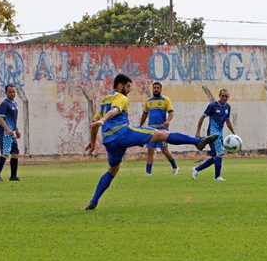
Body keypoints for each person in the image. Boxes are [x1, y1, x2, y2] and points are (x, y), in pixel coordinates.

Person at [84, 74, 217, 210]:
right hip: (122, 134)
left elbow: (94, 125)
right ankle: (197, 142)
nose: (129, 89)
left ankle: (94, 200)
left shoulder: (104, 100)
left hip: (109, 141)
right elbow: (115, 110)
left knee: (112, 171)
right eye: (128, 86)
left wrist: (93, 143)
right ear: (120, 85)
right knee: (162, 134)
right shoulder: (121, 97)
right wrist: (103, 120)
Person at [192, 88, 236, 181]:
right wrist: (198, 131)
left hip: (220, 134)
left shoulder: (228, 107)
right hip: (212, 134)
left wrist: (234, 133)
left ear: (228, 97)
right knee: (219, 153)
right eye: (222, 96)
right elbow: (202, 117)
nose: (224, 98)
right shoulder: (212, 106)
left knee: (215, 157)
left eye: (226, 96)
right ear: (219, 96)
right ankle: (217, 177)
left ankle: (196, 169)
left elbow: (227, 121)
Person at [139, 81, 179, 175]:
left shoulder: (165, 100)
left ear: (161, 89)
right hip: (151, 130)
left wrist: (168, 121)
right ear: (152, 89)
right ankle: (148, 173)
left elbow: (171, 112)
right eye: (154, 88)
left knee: (164, 150)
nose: (156, 89)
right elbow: (144, 114)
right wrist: (140, 125)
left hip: (162, 130)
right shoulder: (149, 101)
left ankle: (175, 167)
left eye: (158, 88)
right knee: (150, 150)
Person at [0, 84, 21, 181]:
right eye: (10, 92)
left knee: (15, 153)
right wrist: (7, 129)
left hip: (11, 132)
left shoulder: (14, 104)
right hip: (5, 132)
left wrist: (16, 130)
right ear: (6, 92)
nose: (12, 93)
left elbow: (13, 119)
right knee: (5, 153)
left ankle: (13, 176)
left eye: (13, 91)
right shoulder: (5, 104)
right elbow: (1, 119)